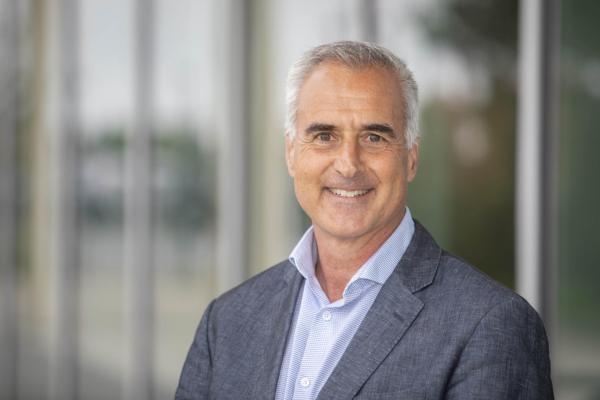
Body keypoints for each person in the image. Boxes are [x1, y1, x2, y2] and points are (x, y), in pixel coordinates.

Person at [176, 41, 554, 400]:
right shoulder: (226, 322)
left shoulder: (490, 326)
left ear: (411, 157)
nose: (348, 164)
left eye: (374, 137)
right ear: (291, 154)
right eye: (324, 135)